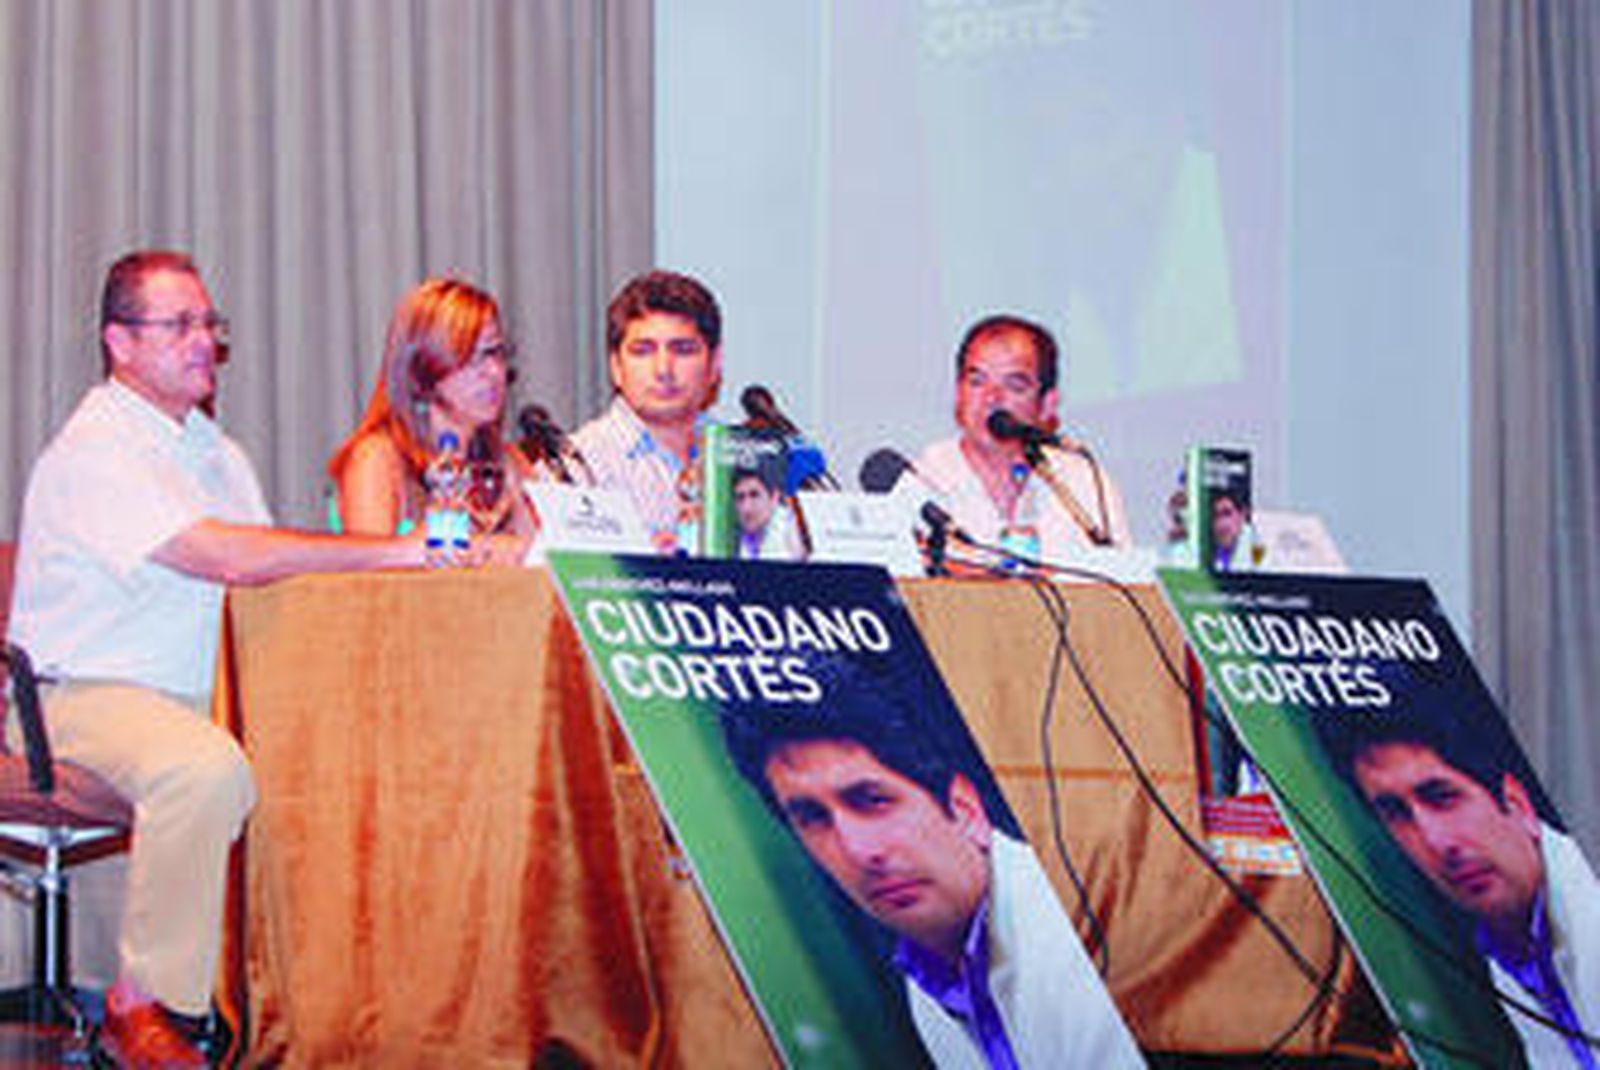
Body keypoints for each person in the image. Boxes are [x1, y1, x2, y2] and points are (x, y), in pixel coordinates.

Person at [5, 250, 500, 1068]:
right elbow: (227, 557)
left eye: (209, 324)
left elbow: (275, 582)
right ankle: (143, 1007)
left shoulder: (216, 452)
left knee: (373, 768)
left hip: (214, 692)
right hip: (85, 699)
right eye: (180, 325)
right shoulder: (95, 450)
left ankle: (351, 1007)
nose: (204, 341)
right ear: (119, 344)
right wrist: (392, 553)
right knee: (200, 771)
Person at [722, 664, 1143, 1068]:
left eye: (871, 800)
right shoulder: (928, 986)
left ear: (966, 810)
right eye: (813, 818)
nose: (857, 851)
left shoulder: (1072, 928)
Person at [1325, 711, 1599, 1067]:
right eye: (1397, 812)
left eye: (1442, 796)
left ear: (1517, 804)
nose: (1435, 841)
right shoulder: (1507, 949)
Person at [906, 314, 1132, 567]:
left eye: (1014, 386)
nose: (992, 399)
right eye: (977, 382)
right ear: (959, 394)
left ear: (1047, 404)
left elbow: (1124, 587)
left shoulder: (1083, 483)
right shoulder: (924, 479)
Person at [327, 277, 538, 539]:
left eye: (495, 353)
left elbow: (544, 558)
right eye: (472, 358)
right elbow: (370, 572)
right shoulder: (376, 459)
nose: (494, 372)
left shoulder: (508, 461)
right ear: (423, 370)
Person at [570, 270, 723, 554]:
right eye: (643, 351)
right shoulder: (578, 464)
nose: (663, 369)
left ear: (714, 364)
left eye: (683, 350)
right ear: (615, 366)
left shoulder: (745, 459)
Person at [732, 466, 803, 561]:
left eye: (754, 495)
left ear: (774, 497)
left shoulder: (795, 533)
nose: (746, 508)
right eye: (740, 498)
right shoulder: (735, 540)